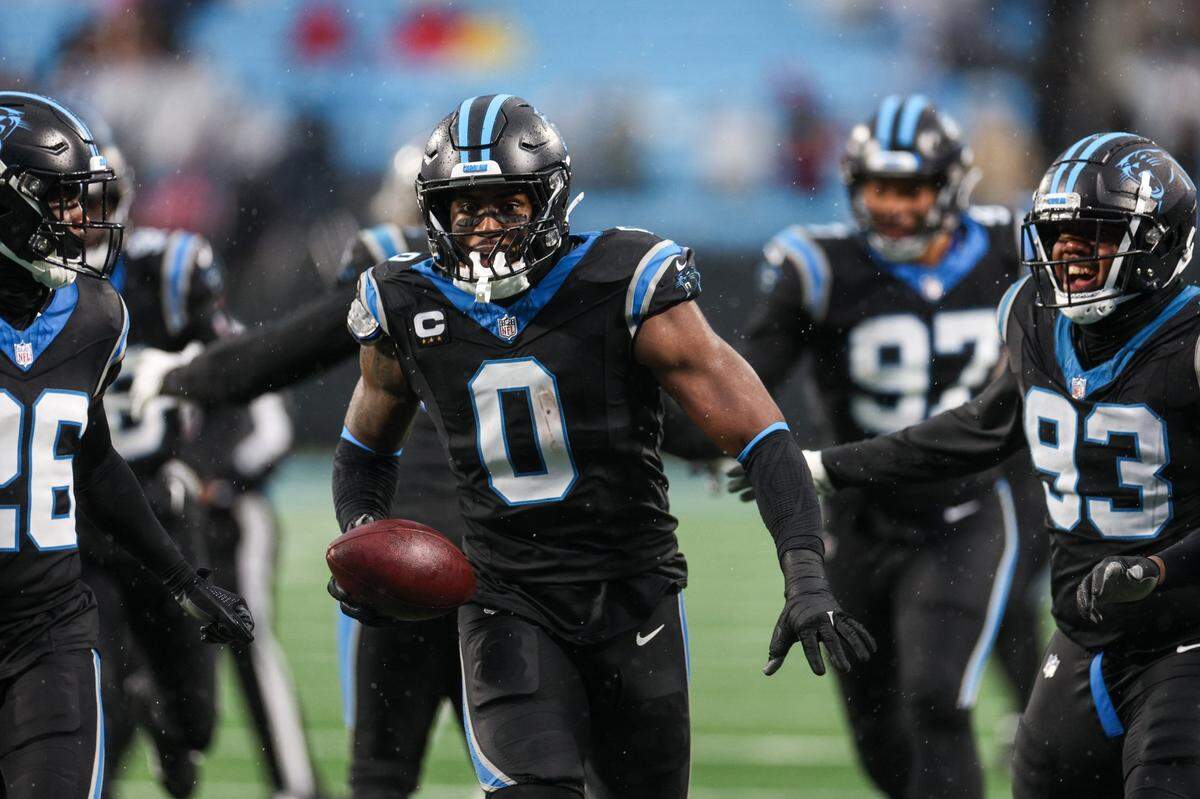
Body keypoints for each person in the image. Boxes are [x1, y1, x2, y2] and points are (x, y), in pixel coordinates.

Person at [328, 94, 875, 799]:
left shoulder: (621, 279)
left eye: (508, 205)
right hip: (507, 597)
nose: (486, 228)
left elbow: (762, 436)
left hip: (632, 595)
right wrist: (363, 534)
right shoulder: (406, 301)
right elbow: (363, 449)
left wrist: (803, 572)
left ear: (549, 200)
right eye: (467, 209)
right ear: (437, 213)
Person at [803, 131, 1200, 796]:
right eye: (1059, 234)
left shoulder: (1190, 342)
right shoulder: (1032, 316)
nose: (1068, 252)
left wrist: (1160, 568)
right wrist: (829, 466)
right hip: (1085, 633)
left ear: (1160, 242)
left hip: (1187, 632)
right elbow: (979, 428)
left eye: (1094, 235)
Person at [121, 142, 467, 798]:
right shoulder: (565, 278)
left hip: (426, 538)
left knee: (387, 770)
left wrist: (185, 377)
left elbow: (281, 356)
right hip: (503, 548)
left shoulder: (398, 272)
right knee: (525, 760)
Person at [724, 96, 1039, 797]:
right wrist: (717, 433)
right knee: (878, 734)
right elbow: (746, 379)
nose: (893, 206)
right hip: (858, 517)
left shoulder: (1013, 248)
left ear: (949, 187)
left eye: (911, 188)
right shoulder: (821, 266)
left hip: (967, 510)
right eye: (878, 188)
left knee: (936, 699)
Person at [0, 90, 253, 799]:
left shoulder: (94, 314)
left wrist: (184, 580)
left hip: (48, 627)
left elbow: (96, 462)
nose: (80, 219)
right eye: (57, 199)